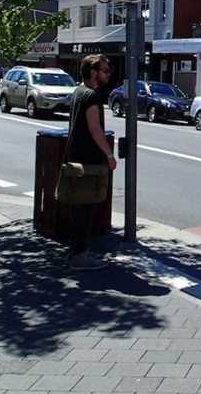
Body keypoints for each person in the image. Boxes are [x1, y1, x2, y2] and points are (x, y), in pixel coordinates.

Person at [65, 54, 116, 270]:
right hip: (89, 161)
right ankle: (79, 257)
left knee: (79, 209)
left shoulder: (78, 91)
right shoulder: (92, 96)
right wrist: (109, 155)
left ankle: (77, 253)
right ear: (93, 73)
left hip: (75, 157)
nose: (108, 74)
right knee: (86, 209)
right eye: (104, 70)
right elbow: (95, 129)